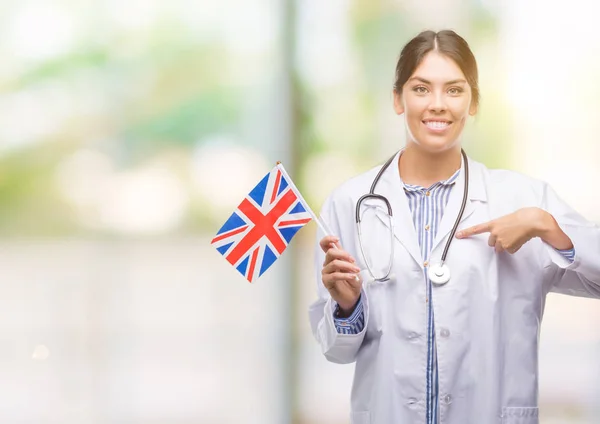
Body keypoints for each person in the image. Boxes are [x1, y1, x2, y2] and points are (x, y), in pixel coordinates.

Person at [308, 29, 600, 424]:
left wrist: (543, 224)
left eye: (455, 90)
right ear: (398, 99)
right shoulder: (351, 203)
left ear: (473, 102)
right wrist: (348, 306)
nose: (438, 105)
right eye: (421, 88)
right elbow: (336, 350)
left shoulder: (521, 199)